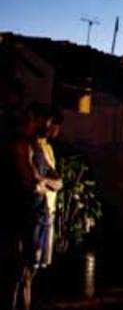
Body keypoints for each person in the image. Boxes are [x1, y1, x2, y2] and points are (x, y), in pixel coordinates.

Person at [1, 103, 60, 310]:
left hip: (33, 213)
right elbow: (30, 180)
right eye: (45, 121)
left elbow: (50, 179)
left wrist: (42, 181)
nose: (49, 126)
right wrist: (43, 181)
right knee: (16, 272)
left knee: (27, 272)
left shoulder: (34, 145)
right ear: (34, 119)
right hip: (20, 215)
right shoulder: (20, 143)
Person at [33, 108, 63, 269]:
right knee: (32, 260)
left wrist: (47, 181)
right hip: (39, 207)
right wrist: (47, 181)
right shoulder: (34, 146)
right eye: (50, 123)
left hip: (47, 206)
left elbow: (57, 179)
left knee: (39, 261)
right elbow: (37, 178)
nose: (50, 127)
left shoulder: (47, 147)